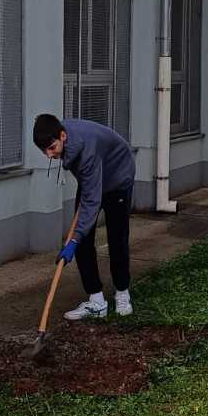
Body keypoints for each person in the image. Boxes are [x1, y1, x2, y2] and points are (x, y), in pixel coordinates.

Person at [32, 114, 135, 320]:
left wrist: (74, 238)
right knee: (83, 241)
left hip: (118, 178)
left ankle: (122, 292)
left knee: (117, 238)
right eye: (44, 150)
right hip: (93, 178)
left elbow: (91, 200)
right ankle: (97, 300)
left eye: (51, 148)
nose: (48, 155)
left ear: (62, 135)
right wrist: (77, 239)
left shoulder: (87, 148)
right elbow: (90, 190)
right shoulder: (63, 137)